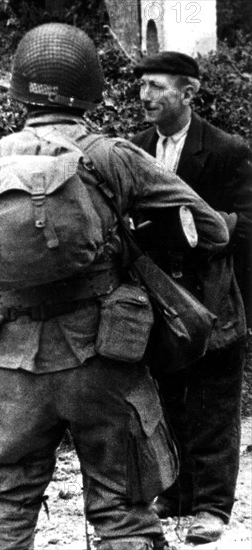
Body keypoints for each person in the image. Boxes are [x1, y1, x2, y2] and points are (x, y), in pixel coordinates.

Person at [0, 24, 230, 550]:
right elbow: (209, 228)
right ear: (89, 87)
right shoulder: (112, 155)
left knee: (9, 507)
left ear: (19, 88)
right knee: (121, 510)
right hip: (101, 354)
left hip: (9, 362)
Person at [131, 51, 252, 544]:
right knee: (167, 398)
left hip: (213, 296)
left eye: (157, 86)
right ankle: (177, 492)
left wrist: (208, 232)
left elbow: (246, 228)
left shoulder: (226, 150)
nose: (145, 96)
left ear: (189, 92)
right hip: (159, 297)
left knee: (213, 402)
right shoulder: (135, 148)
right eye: (141, 86)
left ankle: (212, 506)